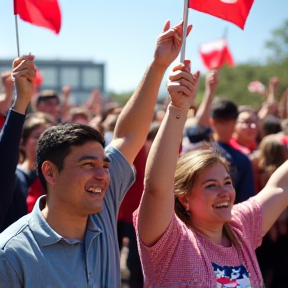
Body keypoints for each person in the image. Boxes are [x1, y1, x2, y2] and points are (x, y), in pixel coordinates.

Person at [0, 19, 190, 287]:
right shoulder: (11, 254)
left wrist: (158, 66)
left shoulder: (101, 206)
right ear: (50, 172)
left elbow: (127, 135)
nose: (102, 175)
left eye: (105, 165)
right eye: (88, 165)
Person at [134, 60, 288, 287]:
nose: (225, 192)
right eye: (211, 186)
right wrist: (178, 109)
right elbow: (157, 187)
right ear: (184, 198)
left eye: (227, 182)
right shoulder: (171, 242)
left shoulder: (239, 226)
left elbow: (280, 187)